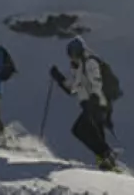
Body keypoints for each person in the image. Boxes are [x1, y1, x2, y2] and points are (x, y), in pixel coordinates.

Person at [49, 36, 117, 170]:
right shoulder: (79, 66)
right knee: (95, 133)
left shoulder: (90, 63)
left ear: (79, 51)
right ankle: (105, 162)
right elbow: (73, 89)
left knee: (80, 129)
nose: (71, 57)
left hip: (96, 104)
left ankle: (108, 155)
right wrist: (59, 78)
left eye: (72, 54)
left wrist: (94, 98)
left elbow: (96, 81)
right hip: (93, 104)